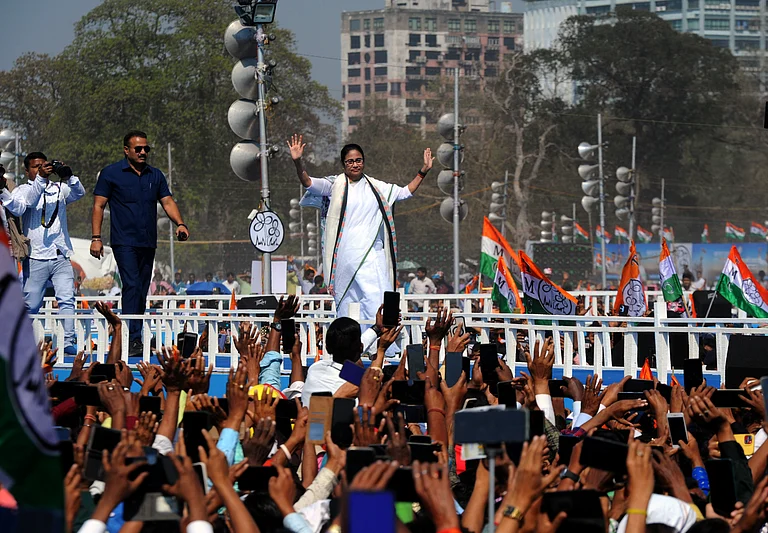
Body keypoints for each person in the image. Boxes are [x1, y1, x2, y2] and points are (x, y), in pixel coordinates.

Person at [288, 133, 432, 322]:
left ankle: (383, 346)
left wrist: (424, 170)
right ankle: (354, 346)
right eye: (350, 162)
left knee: (379, 299)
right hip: (346, 257)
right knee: (349, 303)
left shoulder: (376, 186)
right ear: (343, 164)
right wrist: (298, 162)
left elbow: (405, 192)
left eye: (358, 160)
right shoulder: (334, 185)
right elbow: (308, 182)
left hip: (373, 254)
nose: (355, 164)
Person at [91, 130, 189, 356]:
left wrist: (180, 224)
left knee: (142, 289)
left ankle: (134, 334)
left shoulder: (155, 175)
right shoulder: (111, 173)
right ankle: (132, 337)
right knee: (132, 284)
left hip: (148, 241)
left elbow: (167, 201)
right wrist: (96, 238)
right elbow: (98, 206)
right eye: (138, 149)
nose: (143, 152)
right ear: (127, 150)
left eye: (146, 148)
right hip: (123, 241)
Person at [0, 152, 84, 354]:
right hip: (36, 256)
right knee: (31, 304)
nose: (41, 170)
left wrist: (68, 176)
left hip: (60, 254)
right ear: (27, 171)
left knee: (66, 298)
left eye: (44, 166)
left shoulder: (58, 189)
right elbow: (20, 208)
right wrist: (40, 179)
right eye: (36, 167)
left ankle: (67, 341)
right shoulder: (23, 190)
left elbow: (79, 193)